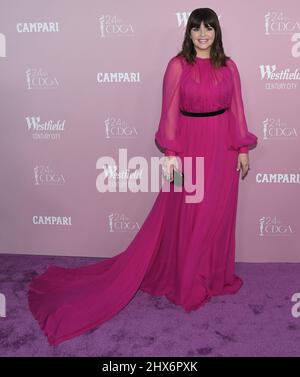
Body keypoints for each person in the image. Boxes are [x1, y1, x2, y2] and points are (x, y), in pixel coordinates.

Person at [28, 8, 258, 346]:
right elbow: (169, 112)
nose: (203, 34)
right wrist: (171, 154)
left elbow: (237, 107)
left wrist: (242, 148)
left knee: (218, 217)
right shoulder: (178, 65)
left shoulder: (229, 66)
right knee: (192, 216)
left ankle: (214, 277)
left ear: (216, 32)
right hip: (191, 149)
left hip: (223, 150)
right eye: (197, 29)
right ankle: (188, 283)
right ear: (190, 33)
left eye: (209, 28)